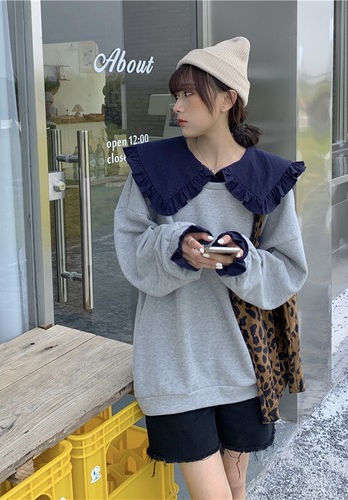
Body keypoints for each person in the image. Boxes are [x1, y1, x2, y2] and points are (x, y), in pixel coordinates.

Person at [114, 37, 307, 499]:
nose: (177, 105)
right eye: (176, 94)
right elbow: (130, 247)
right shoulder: (152, 168)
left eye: (189, 94)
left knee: (236, 484)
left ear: (226, 100)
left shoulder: (269, 177)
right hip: (174, 362)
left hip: (246, 364)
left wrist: (243, 259)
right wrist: (176, 244)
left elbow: (288, 269)